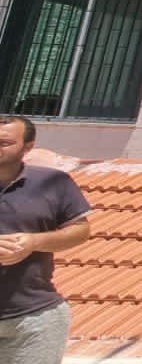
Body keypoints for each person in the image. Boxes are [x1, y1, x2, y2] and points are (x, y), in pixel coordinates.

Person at [0, 116, 92, 363]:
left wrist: (33, 242)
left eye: (4, 143)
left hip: (34, 319)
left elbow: (80, 230)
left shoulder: (53, 183)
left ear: (27, 147)